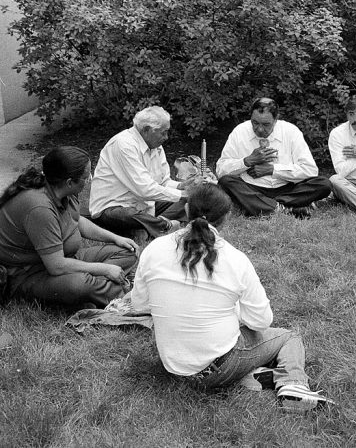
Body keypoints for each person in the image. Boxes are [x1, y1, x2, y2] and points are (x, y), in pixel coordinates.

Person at [130, 183, 333, 412]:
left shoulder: (153, 249)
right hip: (218, 366)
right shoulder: (235, 259)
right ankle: (293, 384)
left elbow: (139, 304)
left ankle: (250, 375)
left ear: (186, 210)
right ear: (226, 217)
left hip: (173, 366)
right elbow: (261, 322)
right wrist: (234, 312)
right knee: (288, 338)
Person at [0, 147, 138, 308]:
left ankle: (97, 290)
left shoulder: (62, 191)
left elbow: (77, 221)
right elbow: (56, 266)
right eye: (86, 177)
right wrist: (104, 269)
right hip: (29, 274)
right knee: (79, 284)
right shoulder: (39, 208)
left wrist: (116, 238)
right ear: (69, 182)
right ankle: (122, 296)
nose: (90, 180)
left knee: (128, 251)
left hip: (65, 260)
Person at [216, 98, 331, 218]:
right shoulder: (240, 131)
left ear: (276, 120)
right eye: (255, 123)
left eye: (266, 124)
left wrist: (272, 170)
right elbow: (221, 170)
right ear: (250, 118)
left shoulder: (291, 131)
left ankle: (261, 206)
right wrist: (247, 161)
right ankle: (286, 208)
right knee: (226, 182)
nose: (259, 129)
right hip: (252, 188)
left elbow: (310, 170)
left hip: (287, 188)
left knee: (324, 184)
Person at [89, 106, 192, 240]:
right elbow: (145, 190)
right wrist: (183, 194)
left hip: (146, 205)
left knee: (194, 198)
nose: (166, 137)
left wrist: (182, 186)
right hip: (114, 207)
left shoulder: (155, 145)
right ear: (146, 130)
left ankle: (148, 227)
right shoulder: (124, 144)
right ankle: (164, 225)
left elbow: (163, 182)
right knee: (128, 215)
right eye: (163, 132)